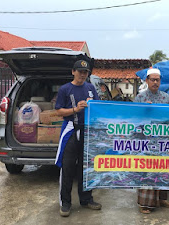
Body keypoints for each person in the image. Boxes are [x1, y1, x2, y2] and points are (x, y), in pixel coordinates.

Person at [55, 59, 102, 217]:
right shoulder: (65, 89)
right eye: (80, 71)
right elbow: (59, 111)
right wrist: (75, 109)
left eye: (85, 72)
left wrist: (93, 104)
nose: (83, 74)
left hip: (88, 131)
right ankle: (66, 203)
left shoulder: (90, 87)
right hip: (70, 130)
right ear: (73, 72)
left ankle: (86, 199)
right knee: (67, 167)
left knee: (86, 167)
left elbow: (98, 106)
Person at [134, 67, 169, 214]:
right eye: (152, 79)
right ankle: (144, 204)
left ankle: (162, 199)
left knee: (163, 169)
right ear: (147, 81)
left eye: (157, 80)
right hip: (146, 142)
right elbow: (133, 118)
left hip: (163, 142)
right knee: (147, 172)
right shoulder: (140, 98)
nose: (155, 82)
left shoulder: (166, 97)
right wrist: (144, 110)